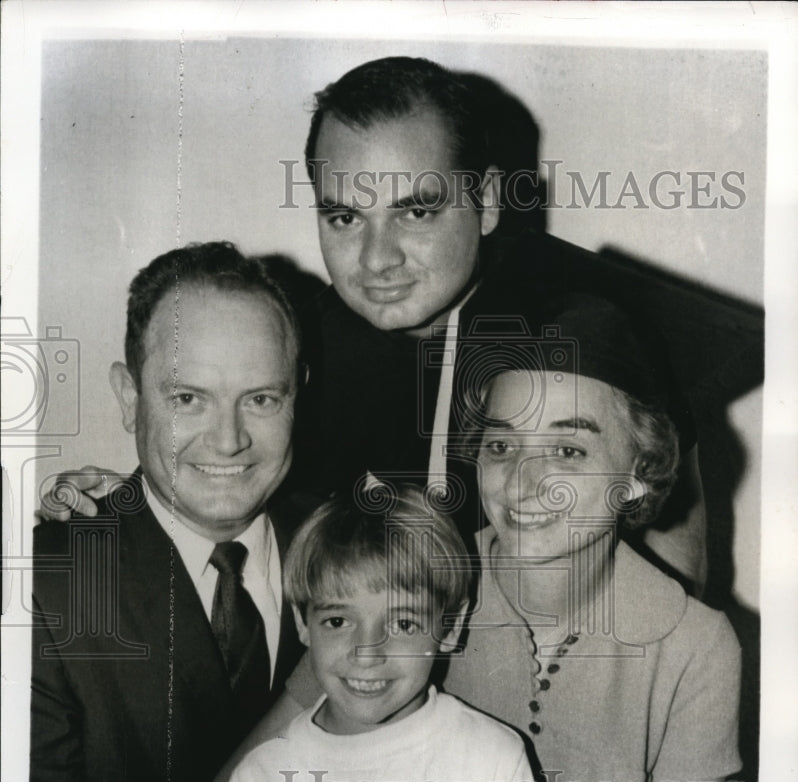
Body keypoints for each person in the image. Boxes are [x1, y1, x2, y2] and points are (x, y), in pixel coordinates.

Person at [42, 56, 707, 588]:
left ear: (489, 203)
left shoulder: (582, 335)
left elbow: (675, 589)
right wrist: (127, 506)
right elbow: (224, 480)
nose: (377, 259)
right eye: (344, 217)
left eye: (415, 212)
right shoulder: (300, 343)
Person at [281, 294, 742, 782]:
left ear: (638, 473)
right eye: (501, 446)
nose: (523, 482)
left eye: (567, 451)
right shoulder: (413, 574)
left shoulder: (694, 649)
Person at [30, 242, 313, 782]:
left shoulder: (347, 545)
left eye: (260, 399)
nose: (229, 439)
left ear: (297, 396)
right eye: (188, 399)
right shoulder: (45, 590)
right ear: (130, 399)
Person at [218, 485, 544, 782]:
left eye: (403, 624)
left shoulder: (490, 762)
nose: (367, 653)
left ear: (450, 627)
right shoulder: (262, 780)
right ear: (303, 622)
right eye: (338, 621)